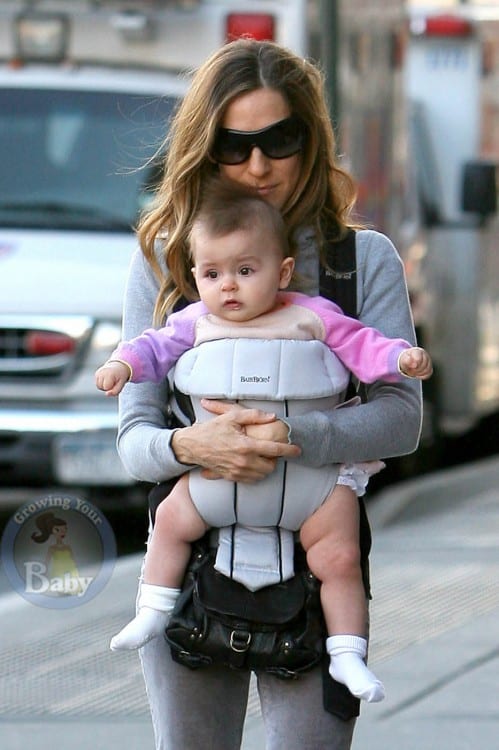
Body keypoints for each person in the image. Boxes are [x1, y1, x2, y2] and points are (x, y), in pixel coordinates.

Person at [114, 37, 424, 750]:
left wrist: (293, 441)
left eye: (278, 140)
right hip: (192, 564)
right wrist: (193, 446)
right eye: (233, 144)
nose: (257, 166)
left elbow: (401, 420)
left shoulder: (358, 259)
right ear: (204, 147)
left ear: (309, 140)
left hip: (319, 568)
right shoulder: (165, 258)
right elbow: (132, 442)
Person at [96, 180, 432, 706]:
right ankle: (152, 609)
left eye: (245, 272)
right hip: (213, 481)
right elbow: (151, 348)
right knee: (170, 523)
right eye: (212, 275)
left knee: (339, 555)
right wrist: (122, 366)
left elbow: (363, 346)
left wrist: (400, 360)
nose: (227, 287)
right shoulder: (194, 320)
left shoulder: (312, 314)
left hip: (311, 484)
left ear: (281, 273)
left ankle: (347, 652)